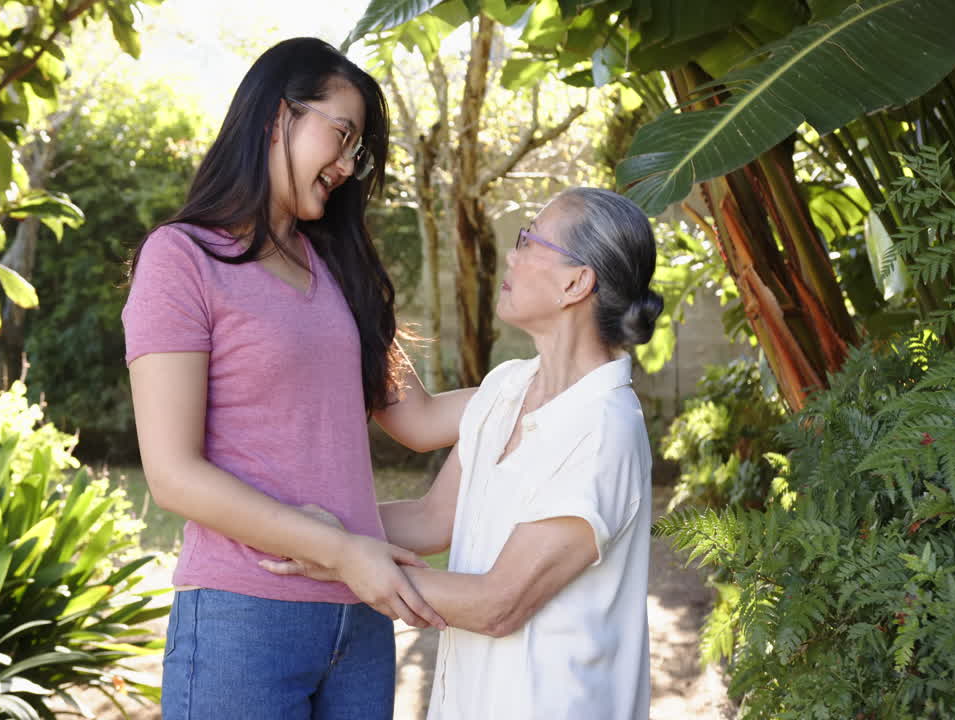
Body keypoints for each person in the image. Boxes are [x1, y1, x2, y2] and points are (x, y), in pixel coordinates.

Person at [122, 37, 473, 719]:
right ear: (278, 116)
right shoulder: (182, 258)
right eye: (340, 135)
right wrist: (342, 550)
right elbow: (171, 475)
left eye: (357, 151)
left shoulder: (338, 267)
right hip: (243, 623)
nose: (346, 166)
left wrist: (552, 381)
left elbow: (423, 422)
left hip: (359, 622)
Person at [266, 187, 664, 719]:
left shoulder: (603, 429)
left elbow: (498, 605)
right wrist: (320, 531)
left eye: (530, 240)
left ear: (577, 282)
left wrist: (344, 559)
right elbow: (431, 510)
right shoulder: (509, 388)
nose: (513, 255)